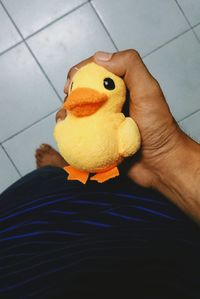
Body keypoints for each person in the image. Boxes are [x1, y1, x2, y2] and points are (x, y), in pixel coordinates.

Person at [0, 50, 200, 299]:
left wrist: (166, 151)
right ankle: (67, 170)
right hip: (164, 248)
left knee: (46, 193)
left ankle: (62, 171)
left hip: (20, 240)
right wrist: (167, 156)